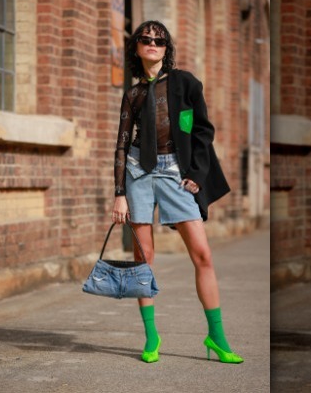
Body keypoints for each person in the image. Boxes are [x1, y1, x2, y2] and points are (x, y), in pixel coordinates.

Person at [111, 20, 242, 364]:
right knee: (144, 260)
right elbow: (122, 145)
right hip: (138, 171)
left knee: (202, 254)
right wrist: (119, 192)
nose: (153, 43)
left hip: (175, 171)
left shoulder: (185, 83)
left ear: (167, 49)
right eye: (146, 39)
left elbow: (202, 130)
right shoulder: (133, 94)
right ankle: (151, 337)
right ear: (136, 46)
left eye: (159, 40)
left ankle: (216, 337)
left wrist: (196, 173)